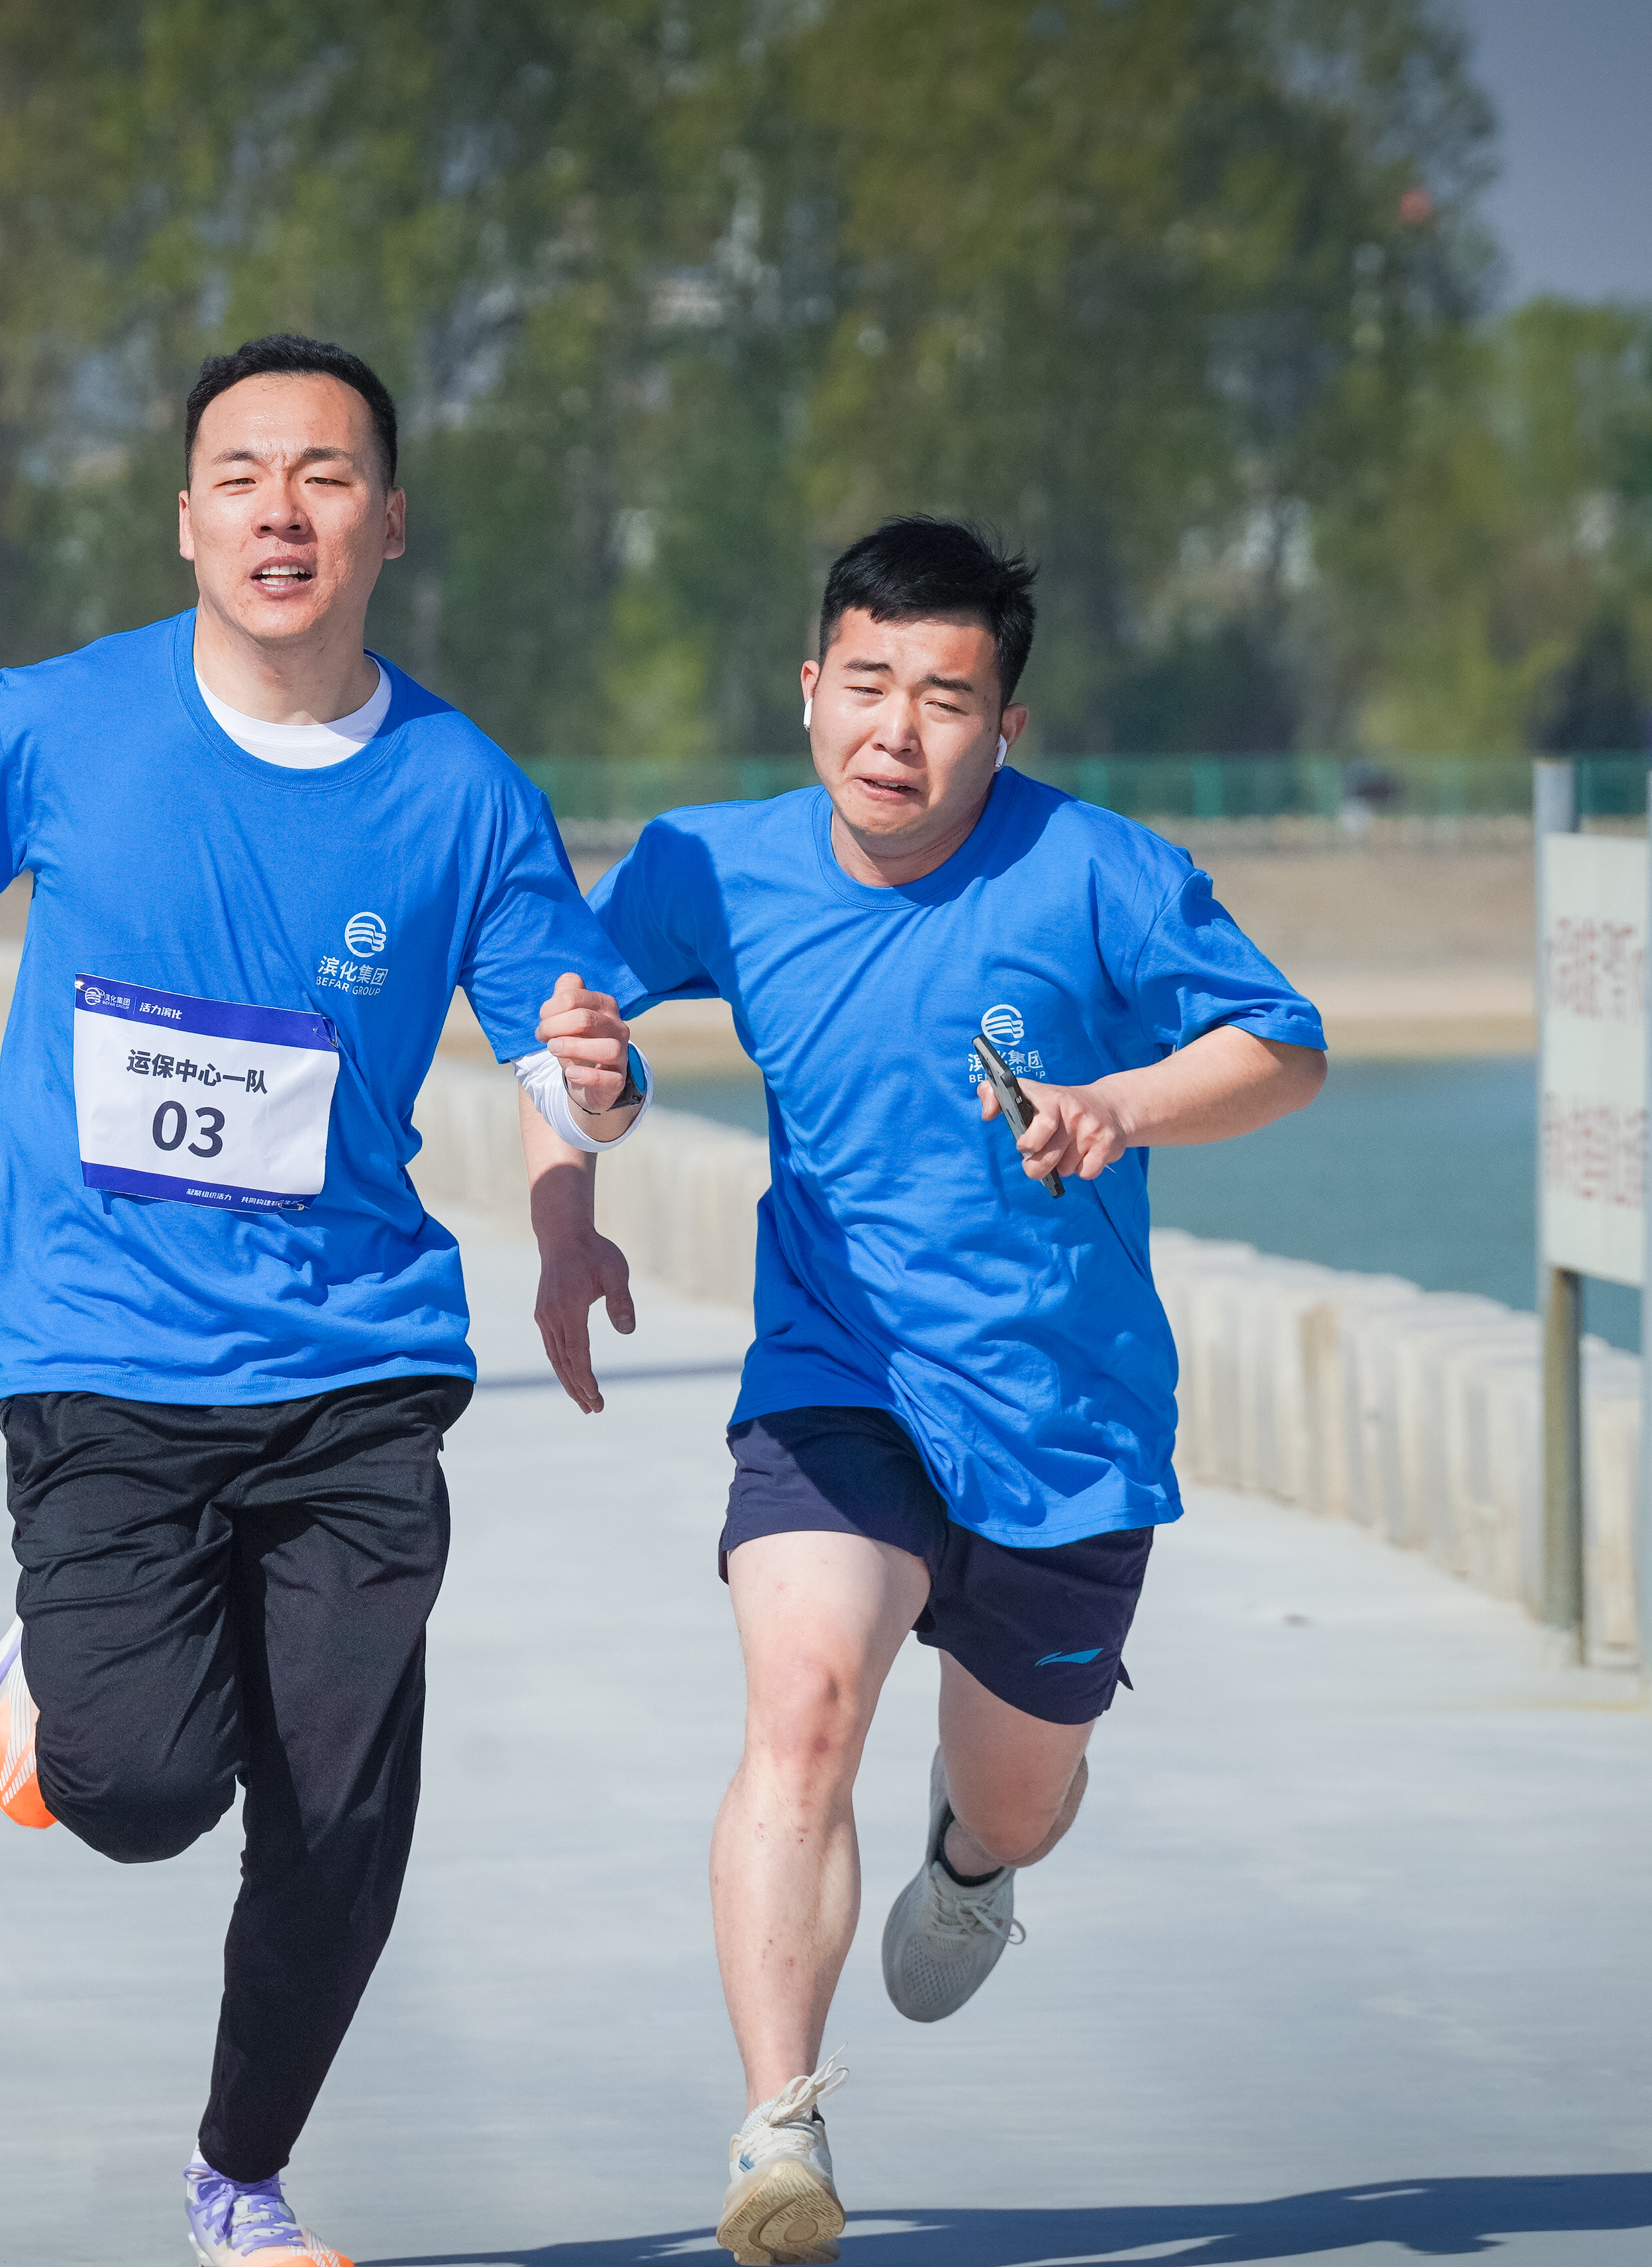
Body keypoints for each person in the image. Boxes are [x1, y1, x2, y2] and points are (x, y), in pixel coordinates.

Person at [0, 333, 650, 2266]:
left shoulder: (465, 792)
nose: (285, 508)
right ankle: (62, 1690)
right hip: (102, 1353)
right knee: (144, 1788)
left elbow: (560, 1044)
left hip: (361, 1363)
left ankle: (243, 2185)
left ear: (391, 524)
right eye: (244, 475)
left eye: (329, 474)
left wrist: (577, 1172)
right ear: (186, 521)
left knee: (340, 1812)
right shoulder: (62, 723)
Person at [531, 519, 1329, 2264]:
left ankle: (976, 1859)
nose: (899, 728)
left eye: (946, 698)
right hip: (835, 1380)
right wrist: (566, 1200)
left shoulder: (1101, 873)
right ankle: (779, 2127)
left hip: (1063, 1424)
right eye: (868, 683)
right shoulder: (707, 864)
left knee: (1020, 1787)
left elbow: (1284, 1042)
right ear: (811, 689)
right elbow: (563, 1016)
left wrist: (1123, 1102)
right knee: (804, 1708)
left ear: (1006, 723)